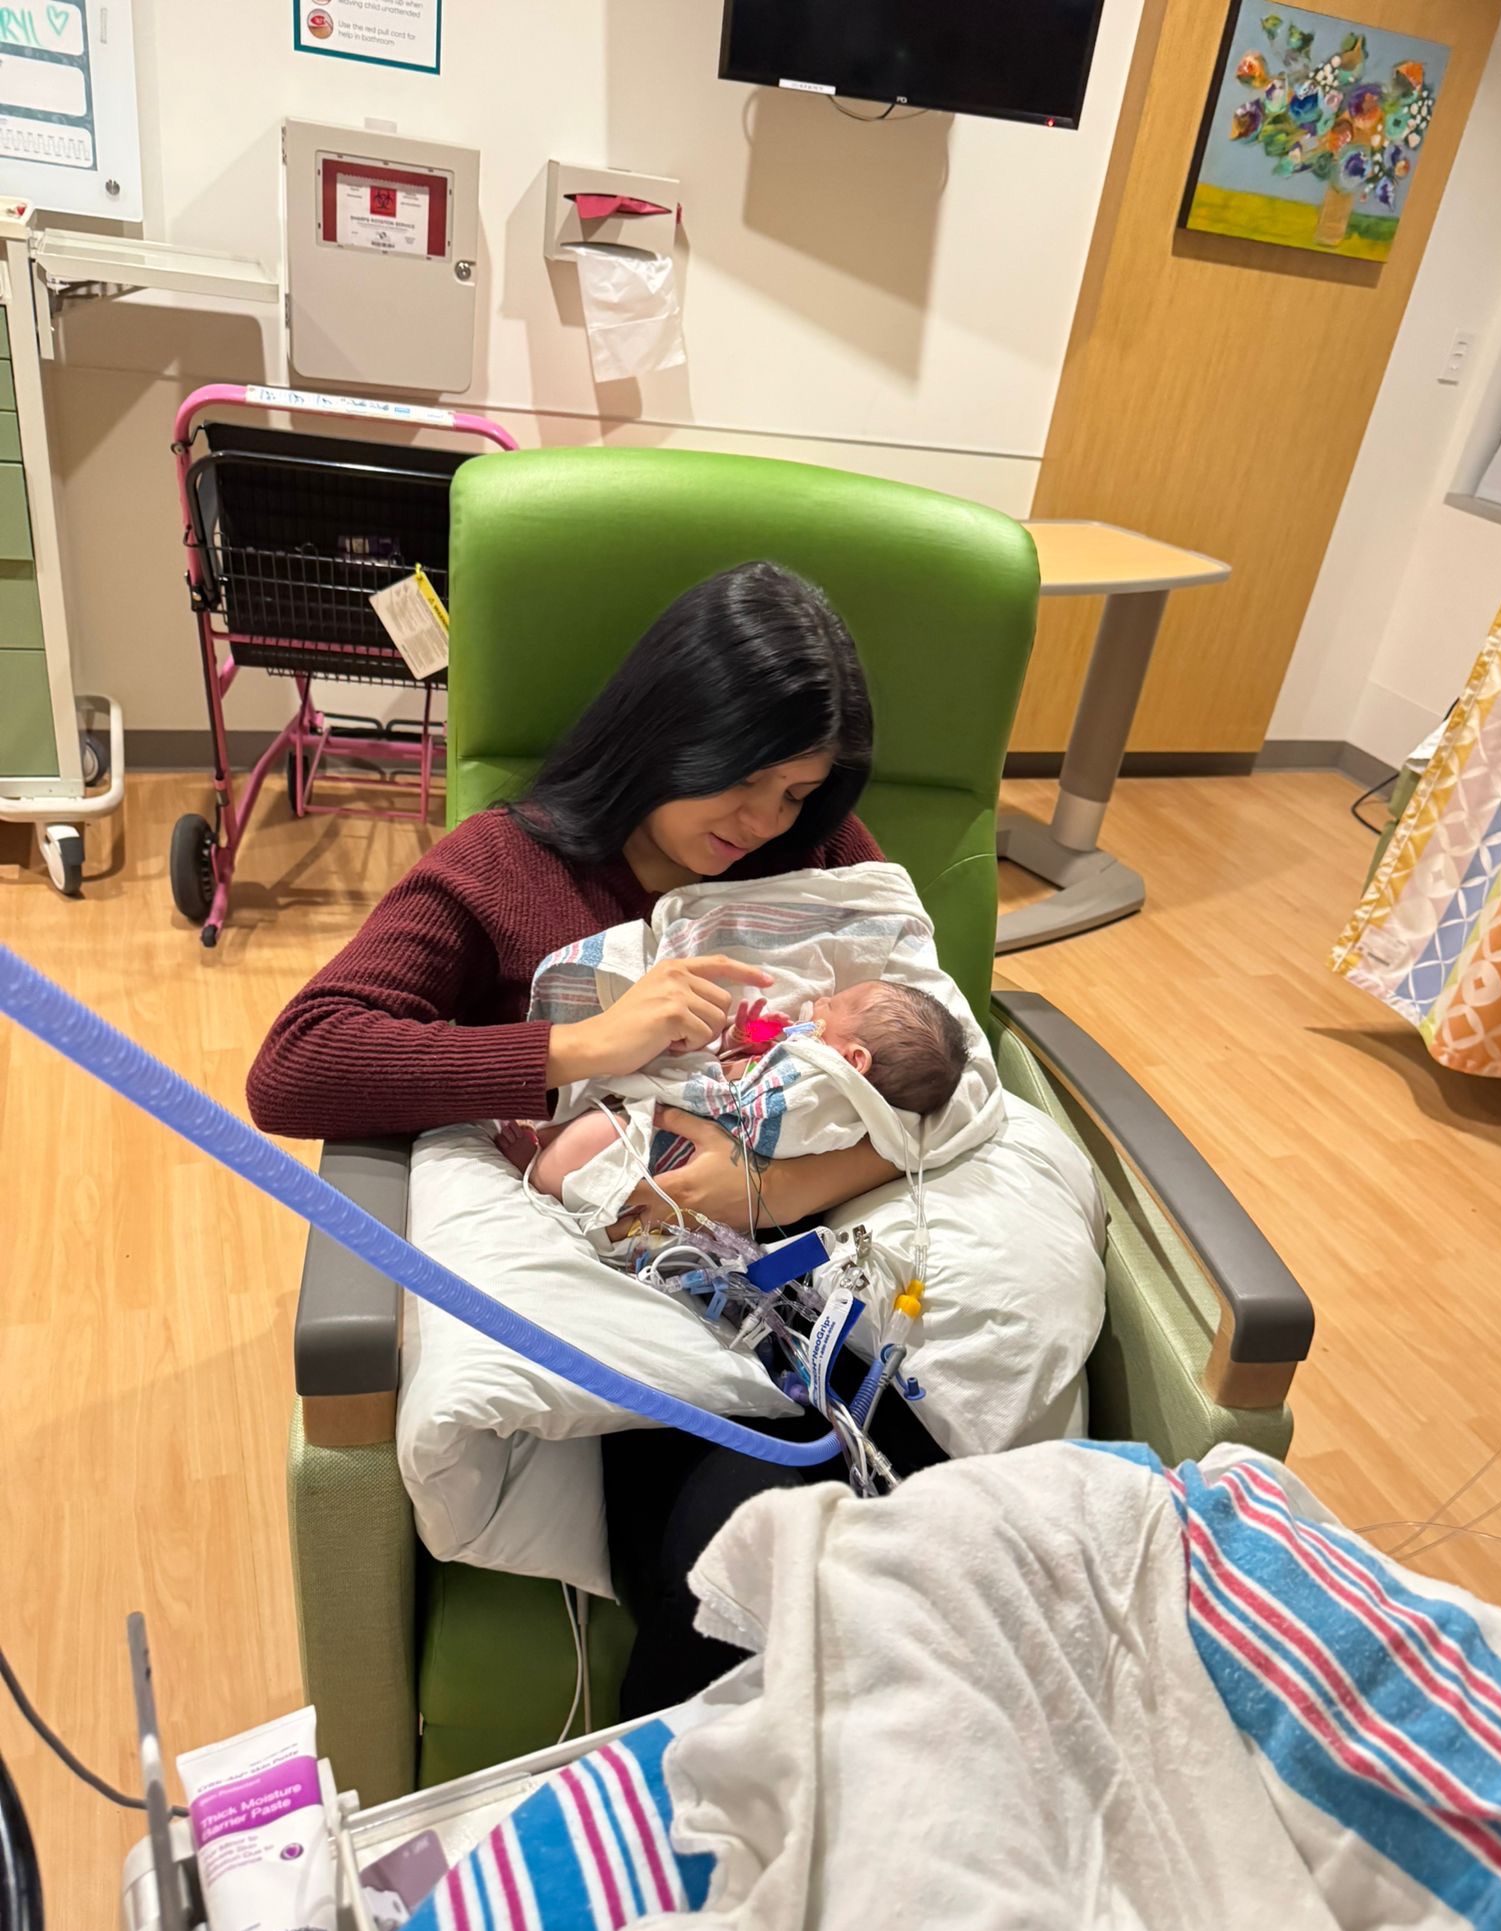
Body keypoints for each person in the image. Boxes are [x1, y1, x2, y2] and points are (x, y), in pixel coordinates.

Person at [248, 559, 929, 1714]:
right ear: (668, 724)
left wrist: (774, 1185)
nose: (764, 823)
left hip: (820, 1265)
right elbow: (298, 1060)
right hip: (645, 1303)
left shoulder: (817, 858)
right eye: (745, 779)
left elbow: (931, 1041)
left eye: (797, 791)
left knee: (928, 1521)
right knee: (749, 1568)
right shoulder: (506, 871)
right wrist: (577, 1046)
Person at [522, 978, 969, 1206]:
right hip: (683, 1120)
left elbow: (757, 1111)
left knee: (597, 1134)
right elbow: (750, 1070)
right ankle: (542, 1143)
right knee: (598, 1120)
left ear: (853, 1061)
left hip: (683, 1148)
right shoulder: (801, 1059)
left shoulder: (826, 1095)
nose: (821, 1001)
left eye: (835, 1006)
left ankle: (540, 1173)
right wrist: (744, 1042)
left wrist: (717, 1079)